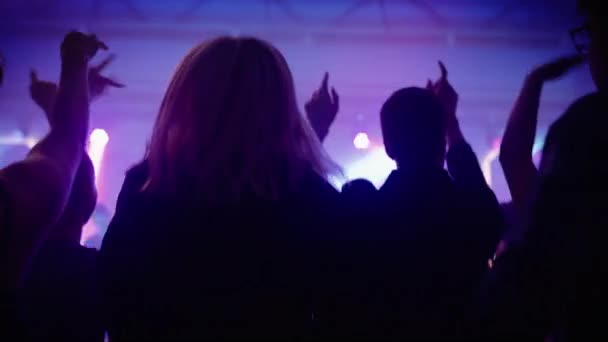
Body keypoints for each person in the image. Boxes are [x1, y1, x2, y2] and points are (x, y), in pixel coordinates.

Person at [99, 36, 341, 340]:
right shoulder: (307, 194)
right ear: (279, 105)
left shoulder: (149, 185)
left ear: (185, 98)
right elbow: (339, 304)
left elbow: (115, 293)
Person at [336, 62, 504, 339]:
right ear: (442, 141)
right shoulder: (471, 210)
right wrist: (450, 120)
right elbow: (479, 198)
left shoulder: (363, 211)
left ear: (388, 146)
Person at [480, 0, 608, 339]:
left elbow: (518, 170)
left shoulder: (587, 126)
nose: (589, 49)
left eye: (591, 34)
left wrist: (533, 82)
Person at [15, 59, 122, 342]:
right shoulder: (96, 271)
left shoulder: (14, 263)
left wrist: (64, 106)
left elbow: (60, 175)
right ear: (89, 204)